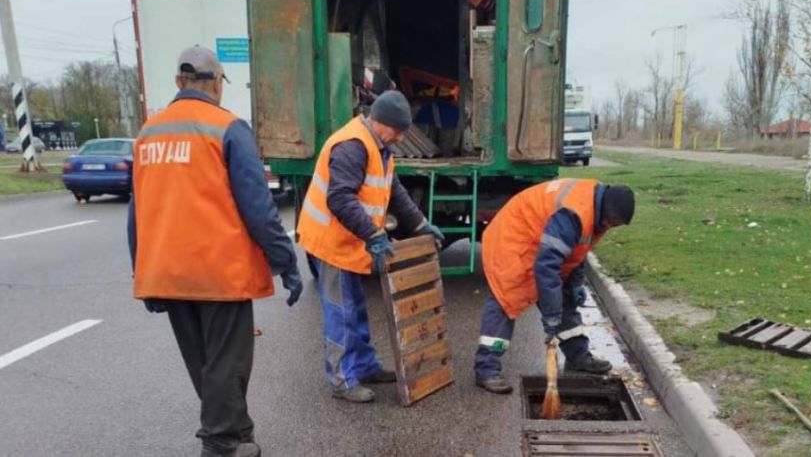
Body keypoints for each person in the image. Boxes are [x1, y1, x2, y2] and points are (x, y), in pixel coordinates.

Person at [129, 46, 303, 457]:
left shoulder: (148, 134)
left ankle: (237, 429)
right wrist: (286, 262)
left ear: (179, 83)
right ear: (216, 84)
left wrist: (144, 275)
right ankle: (221, 445)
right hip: (218, 271)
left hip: (167, 273)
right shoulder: (227, 128)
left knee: (204, 363)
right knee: (228, 363)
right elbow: (259, 208)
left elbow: (137, 216)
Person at [297, 90, 444, 403]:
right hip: (330, 244)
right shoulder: (353, 146)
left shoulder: (379, 147)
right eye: (398, 130)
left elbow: (394, 191)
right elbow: (339, 198)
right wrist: (374, 235)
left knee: (357, 309)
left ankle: (363, 366)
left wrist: (419, 224)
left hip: (350, 242)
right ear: (379, 122)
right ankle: (342, 380)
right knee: (341, 312)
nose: (401, 137)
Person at [474, 178, 635, 394]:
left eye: (615, 225)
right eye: (610, 222)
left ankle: (578, 356)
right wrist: (551, 315)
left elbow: (577, 248)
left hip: (539, 238)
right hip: (514, 239)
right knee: (507, 298)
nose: (609, 227)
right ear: (605, 209)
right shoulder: (573, 213)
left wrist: (575, 282)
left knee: (564, 294)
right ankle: (486, 369)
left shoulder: (597, 209)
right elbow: (547, 268)